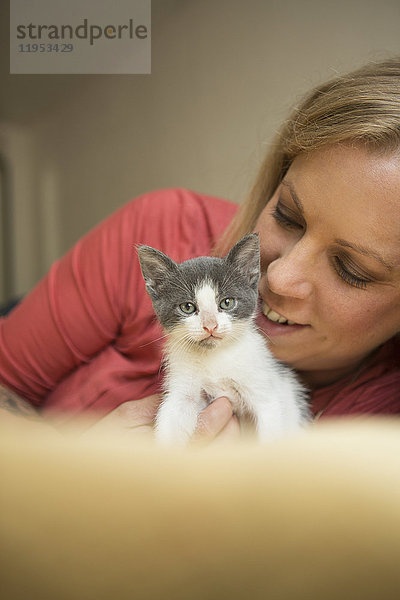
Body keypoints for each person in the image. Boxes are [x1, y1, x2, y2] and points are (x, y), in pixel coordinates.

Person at [0, 57, 399, 439]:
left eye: (352, 269)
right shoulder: (167, 225)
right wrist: (77, 473)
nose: (277, 277)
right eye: (288, 216)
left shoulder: (383, 421)